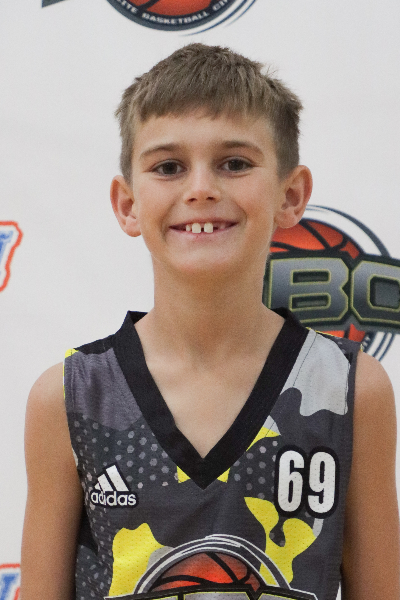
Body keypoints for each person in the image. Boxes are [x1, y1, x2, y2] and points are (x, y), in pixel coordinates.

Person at [21, 44, 399, 600]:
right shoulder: (69, 397)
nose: (200, 188)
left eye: (235, 163)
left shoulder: (350, 389)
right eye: (168, 167)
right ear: (127, 204)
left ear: (291, 195)